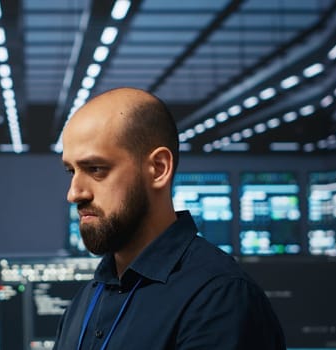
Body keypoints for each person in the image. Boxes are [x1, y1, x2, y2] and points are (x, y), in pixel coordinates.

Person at [54, 87, 286, 349]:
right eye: (70, 171)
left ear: (159, 169)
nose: (74, 193)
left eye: (96, 169)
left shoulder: (219, 298)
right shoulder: (86, 300)